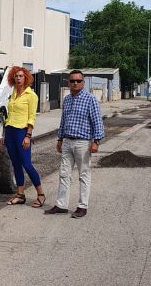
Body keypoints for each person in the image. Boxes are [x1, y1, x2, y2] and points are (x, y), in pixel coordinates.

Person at [44, 70, 104, 218]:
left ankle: (82, 207)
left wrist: (96, 142)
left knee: (83, 175)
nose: (75, 83)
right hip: (67, 142)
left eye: (78, 81)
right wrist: (59, 139)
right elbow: (63, 121)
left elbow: (98, 122)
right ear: (68, 83)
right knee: (64, 174)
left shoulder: (90, 100)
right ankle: (61, 205)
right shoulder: (67, 100)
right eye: (72, 81)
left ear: (83, 83)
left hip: (83, 143)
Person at [2, 67, 46, 207]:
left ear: (26, 77)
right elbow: (10, 115)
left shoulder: (31, 95)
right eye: (16, 76)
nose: (18, 78)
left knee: (27, 164)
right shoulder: (13, 92)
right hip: (10, 132)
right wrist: (4, 134)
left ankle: (41, 194)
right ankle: (20, 195)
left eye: (21, 76)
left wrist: (28, 135)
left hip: (22, 132)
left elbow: (32, 117)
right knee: (16, 164)